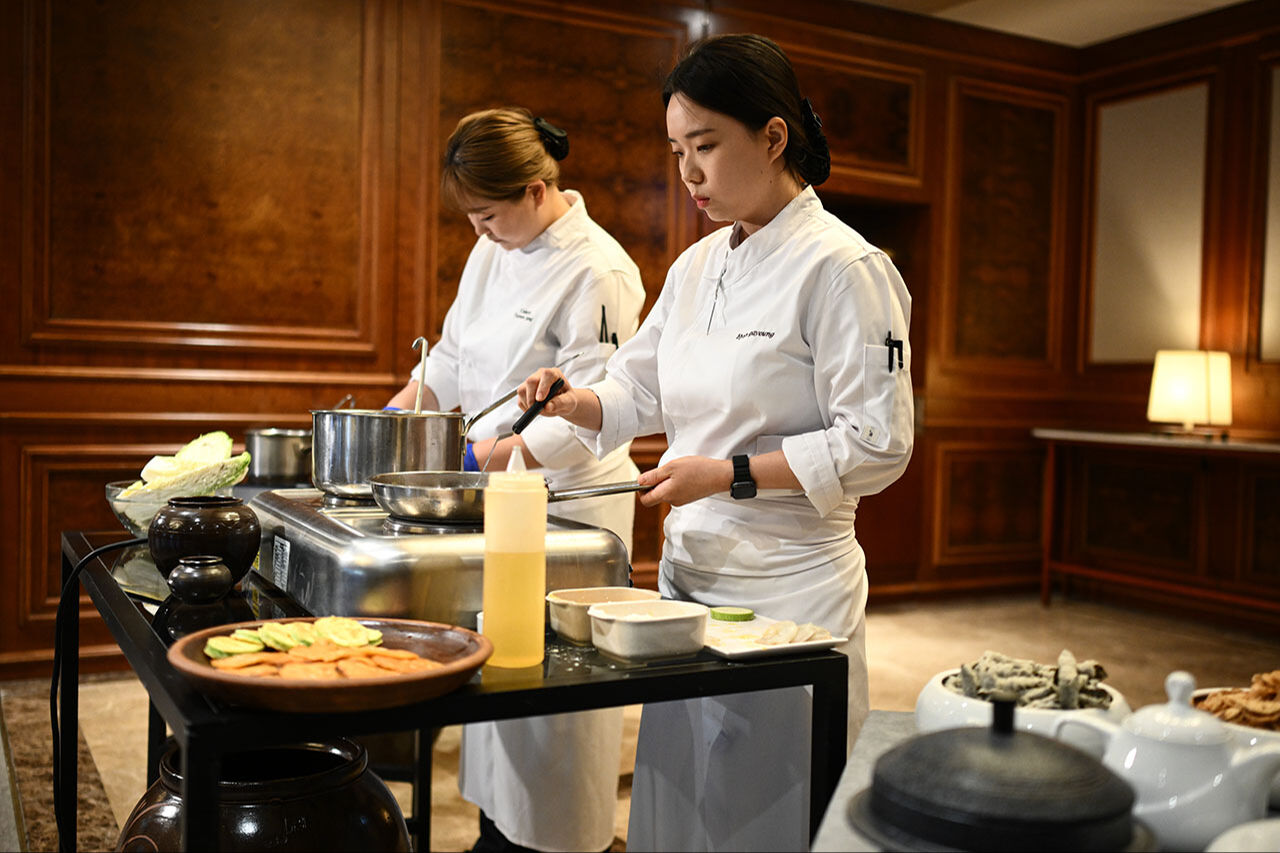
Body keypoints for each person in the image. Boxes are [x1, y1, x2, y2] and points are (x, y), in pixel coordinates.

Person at [515, 34, 914, 852]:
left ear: (772, 138)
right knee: (679, 797)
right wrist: (574, 399)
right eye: (676, 150)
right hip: (689, 580)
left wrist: (728, 475)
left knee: (762, 806)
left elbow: (878, 443)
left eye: (705, 147)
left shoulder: (843, 267)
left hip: (791, 589)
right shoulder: (700, 265)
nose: (687, 173)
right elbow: (639, 389)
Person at [388, 107, 645, 853]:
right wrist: (396, 416)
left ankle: (564, 844)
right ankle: (498, 836)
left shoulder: (600, 268)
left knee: (556, 698)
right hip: (499, 495)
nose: (479, 230)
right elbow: (452, 357)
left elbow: (592, 411)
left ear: (536, 190)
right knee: (498, 670)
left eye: (489, 214)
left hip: (571, 507)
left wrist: (484, 456)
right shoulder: (493, 249)